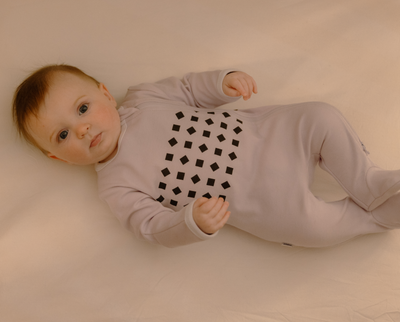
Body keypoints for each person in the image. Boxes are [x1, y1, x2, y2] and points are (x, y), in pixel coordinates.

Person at [12, 64, 400, 248]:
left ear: (105, 94)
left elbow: (189, 90)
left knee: (320, 115)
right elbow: (149, 226)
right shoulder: (117, 185)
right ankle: (378, 217)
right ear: (58, 158)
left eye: (82, 109)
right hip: (266, 203)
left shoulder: (144, 99)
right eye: (62, 135)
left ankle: (370, 184)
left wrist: (223, 82)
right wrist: (191, 222)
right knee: (314, 228)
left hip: (270, 137)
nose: (82, 129)